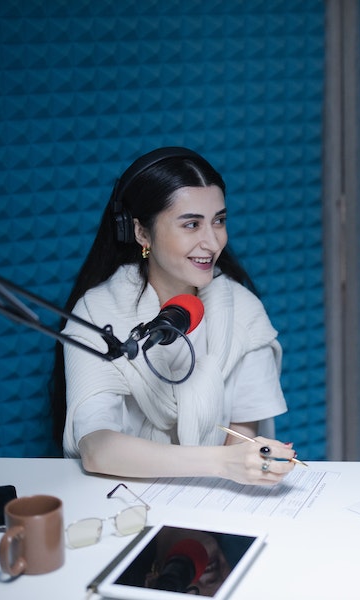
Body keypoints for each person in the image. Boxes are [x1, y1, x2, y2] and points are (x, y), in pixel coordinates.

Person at [50, 146, 295, 484]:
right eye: (191, 224)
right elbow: (97, 448)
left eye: (219, 221)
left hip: (216, 500)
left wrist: (237, 461)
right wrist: (222, 462)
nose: (212, 242)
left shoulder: (244, 312)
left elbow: (241, 439)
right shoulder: (96, 315)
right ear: (141, 232)